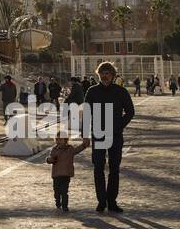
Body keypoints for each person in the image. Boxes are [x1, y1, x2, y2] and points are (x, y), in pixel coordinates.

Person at [84, 61, 135, 214]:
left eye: (107, 73)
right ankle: (101, 201)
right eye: (102, 73)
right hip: (98, 134)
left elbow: (130, 112)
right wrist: (85, 134)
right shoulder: (92, 91)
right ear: (98, 74)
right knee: (98, 168)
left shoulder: (121, 91)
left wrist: (119, 125)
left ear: (112, 75)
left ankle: (112, 201)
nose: (105, 76)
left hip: (115, 135)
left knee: (114, 169)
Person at [46, 134, 90, 212]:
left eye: (60, 139)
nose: (58, 141)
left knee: (64, 191)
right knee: (56, 191)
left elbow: (78, 149)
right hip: (56, 175)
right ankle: (57, 201)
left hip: (66, 174)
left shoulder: (70, 149)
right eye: (57, 139)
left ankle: (65, 206)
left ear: (65, 140)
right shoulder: (54, 149)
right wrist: (49, 160)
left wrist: (84, 144)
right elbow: (50, 158)